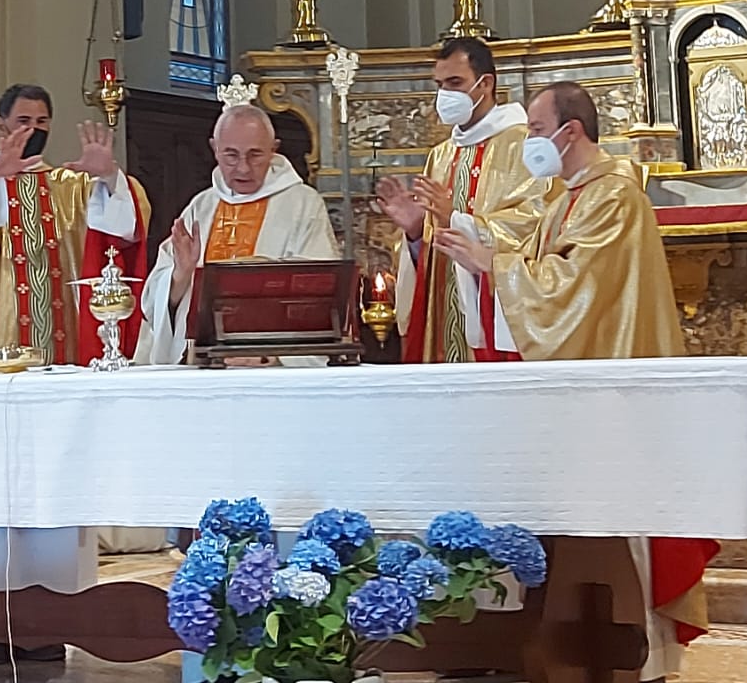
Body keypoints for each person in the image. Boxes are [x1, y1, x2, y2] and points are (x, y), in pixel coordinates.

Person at [431, 82, 712, 679]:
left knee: (615, 521)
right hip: (576, 395)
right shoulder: (566, 195)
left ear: (571, 132)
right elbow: (539, 273)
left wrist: (491, 265)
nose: (529, 141)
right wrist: (483, 265)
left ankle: (635, 653)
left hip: (612, 393)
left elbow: (577, 289)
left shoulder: (615, 195)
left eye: (536, 129)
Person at [0, 84, 150, 667]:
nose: (32, 129)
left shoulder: (69, 186)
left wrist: (109, 177)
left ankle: (51, 622)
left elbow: (125, 229)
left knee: (53, 498)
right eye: (22, 120)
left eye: (41, 121)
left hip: (57, 376)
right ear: (0, 125)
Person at [375, 38, 539, 364]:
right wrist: (415, 231)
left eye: (455, 83)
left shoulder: (523, 145)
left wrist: (459, 221)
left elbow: (534, 225)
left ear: (486, 83)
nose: (445, 95)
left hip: (495, 322)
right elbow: (431, 247)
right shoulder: (441, 154)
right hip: (444, 315)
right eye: (439, 85)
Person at [134, 103, 338, 365]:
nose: (243, 168)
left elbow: (319, 290)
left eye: (255, 155)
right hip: (203, 363)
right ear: (214, 149)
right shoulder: (202, 206)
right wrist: (181, 276)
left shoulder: (302, 204)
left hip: (270, 365)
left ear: (274, 149)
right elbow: (154, 305)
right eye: (231, 155)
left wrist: (270, 356)